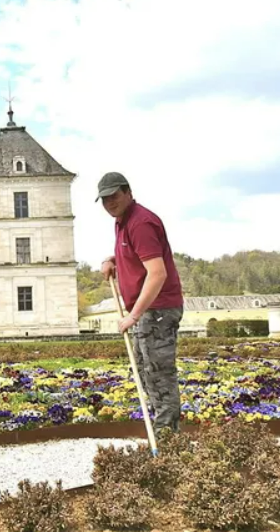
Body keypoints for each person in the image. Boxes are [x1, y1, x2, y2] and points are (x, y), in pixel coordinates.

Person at [97, 172, 184, 432]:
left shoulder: (140, 222)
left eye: (114, 196)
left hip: (158, 310)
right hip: (147, 311)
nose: (109, 203)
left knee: (158, 374)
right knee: (147, 372)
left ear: (128, 192)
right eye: (104, 199)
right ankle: (164, 436)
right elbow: (135, 251)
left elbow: (157, 273)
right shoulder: (123, 221)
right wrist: (112, 259)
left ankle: (167, 442)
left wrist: (133, 315)